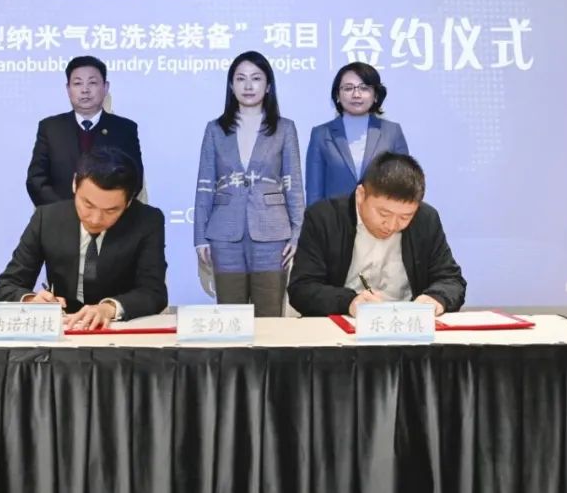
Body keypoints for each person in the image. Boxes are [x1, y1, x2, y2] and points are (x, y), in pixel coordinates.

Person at [0, 147, 166, 330]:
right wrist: (32, 301)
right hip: (65, 326)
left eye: (111, 210)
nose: (95, 219)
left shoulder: (147, 221)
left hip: (118, 328)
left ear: (129, 202)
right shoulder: (47, 218)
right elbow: (6, 286)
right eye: (88, 205)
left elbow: (153, 292)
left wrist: (108, 308)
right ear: (74, 184)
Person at [194, 51, 305, 316]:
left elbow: (294, 185)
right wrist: (199, 237)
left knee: (269, 315)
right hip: (224, 235)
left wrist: (297, 233)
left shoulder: (285, 128)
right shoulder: (215, 129)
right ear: (231, 86)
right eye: (240, 78)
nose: (248, 85)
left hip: (273, 234)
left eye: (256, 78)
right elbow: (204, 186)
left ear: (268, 86)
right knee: (231, 316)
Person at [288, 151, 465, 317]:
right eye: (384, 214)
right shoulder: (324, 218)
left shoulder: (426, 219)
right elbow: (302, 288)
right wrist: (349, 302)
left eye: (405, 217)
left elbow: (451, 280)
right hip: (345, 323)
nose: (392, 225)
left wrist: (436, 298)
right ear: (360, 195)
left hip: (407, 324)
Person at [26, 55, 143, 206]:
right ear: (68, 89)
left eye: (92, 83)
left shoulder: (125, 129)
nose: (85, 90)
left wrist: (102, 210)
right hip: (59, 216)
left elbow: (134, 179)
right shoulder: (50, 128)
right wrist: (64, 212)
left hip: (108, 216)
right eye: (77, 83)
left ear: (105, 87)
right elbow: (36, 179)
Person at [305, 62, 409, 205]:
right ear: (337, 95)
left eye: (364, 88)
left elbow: (404, 184)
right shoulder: (321, 134)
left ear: (376, 95)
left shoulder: (392, 132)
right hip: (335, 216)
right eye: (348, 88)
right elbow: (314, 191)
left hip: (381, 215)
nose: (356, 94)